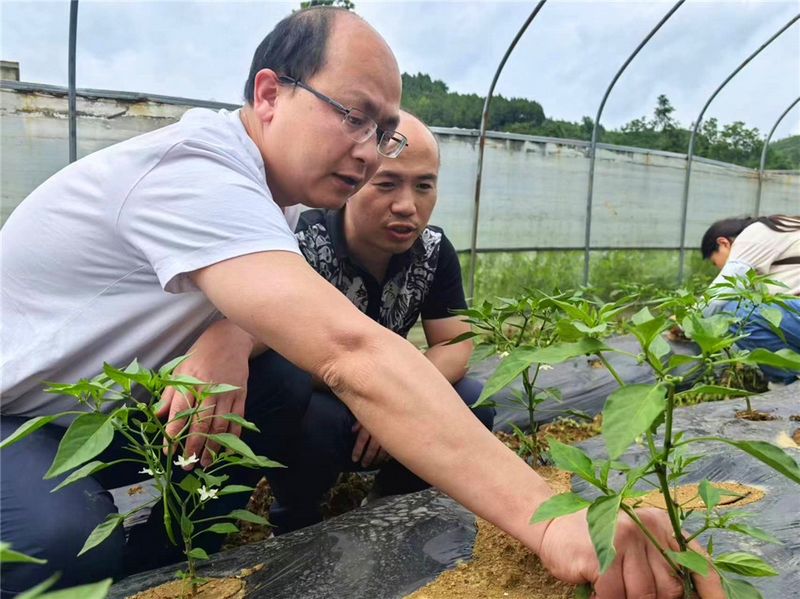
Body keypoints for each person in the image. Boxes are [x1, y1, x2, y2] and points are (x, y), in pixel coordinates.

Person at [0, 7, 722, 599]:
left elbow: (268, 307)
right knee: (56, 544)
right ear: (269, 93)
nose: (372, 152)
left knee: (270, 380)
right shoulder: (195, 172)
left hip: (98, 411)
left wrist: (226, 330)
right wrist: (550, 519)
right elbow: (351, 351)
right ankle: (114, 555)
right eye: (353, 116)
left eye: (383, 131)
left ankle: (161, 564)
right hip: (16, 414)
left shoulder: (267, 200)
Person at [266, 111, 494, 534]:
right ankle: (294, 518)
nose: (407, 205)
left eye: (424, 185)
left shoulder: (433, 251)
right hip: (328, 395)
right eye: (387, 184)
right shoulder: (302, 243)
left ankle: (393, 501)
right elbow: (282, 353)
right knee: (305, 409)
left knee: (473, 399)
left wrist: (399, 399)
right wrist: (374, 395)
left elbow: (455, 342)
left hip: (385, 388)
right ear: (354, 181)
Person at [701, 214, 800, 384]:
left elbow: (718, 297)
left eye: (714, 262)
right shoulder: (778, 231)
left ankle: (787, 382)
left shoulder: (754, 234)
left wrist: (685, 322)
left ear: (724, 243)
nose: (718, 269)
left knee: (735, 313)